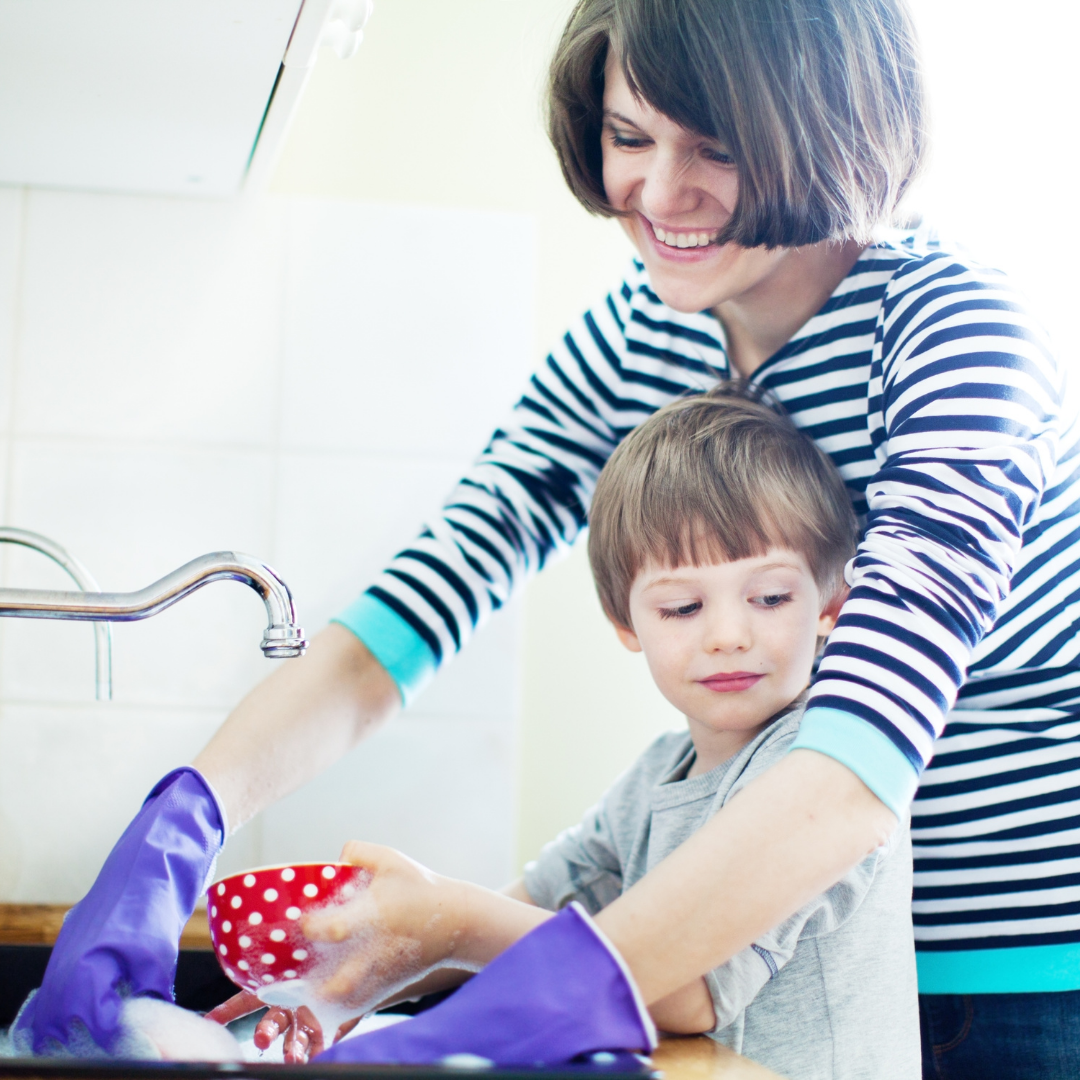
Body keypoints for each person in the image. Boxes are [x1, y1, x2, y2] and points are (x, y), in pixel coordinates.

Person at [16, 0, 1079, 1076]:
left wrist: (533, 991)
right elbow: (429, 593)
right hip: (742, 969)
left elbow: (859, 753)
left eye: (716, 147)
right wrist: (186, 818)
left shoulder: (955, 337)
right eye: (631, 137)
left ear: (830, 125)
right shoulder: (638, 336)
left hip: (1009, 972)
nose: (662, 195)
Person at [273, 385, 920, 1078]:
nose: (729, 635)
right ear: (623, 621)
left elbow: (687, 995)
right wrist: (365, 975)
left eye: (769, 598)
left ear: (831, 604)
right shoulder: (656, 777)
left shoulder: (811, 773)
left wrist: (449, 918)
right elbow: (535, 905)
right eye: (681, 607)